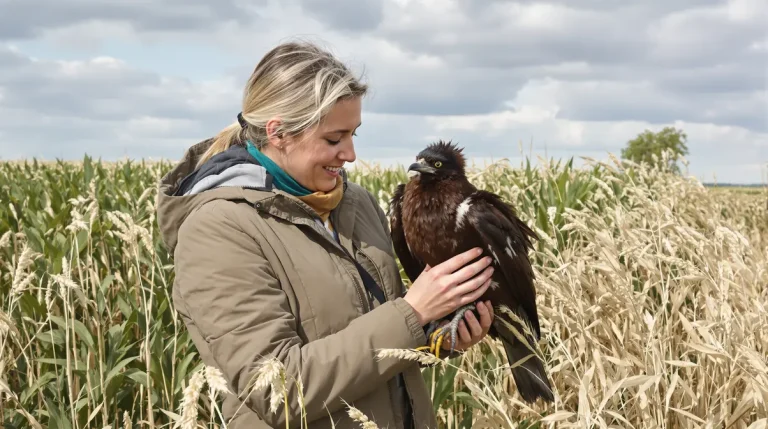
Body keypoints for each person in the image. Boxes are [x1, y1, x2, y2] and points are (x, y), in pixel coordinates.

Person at [156, 40, 496, 429]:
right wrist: (413, 313)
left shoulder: (357, 204)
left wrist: (438, 332)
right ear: (279, 132)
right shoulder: (218, 230)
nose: (350, 154)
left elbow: (378, 333)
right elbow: (276, 390)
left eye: (354, 134)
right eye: (334, 139)